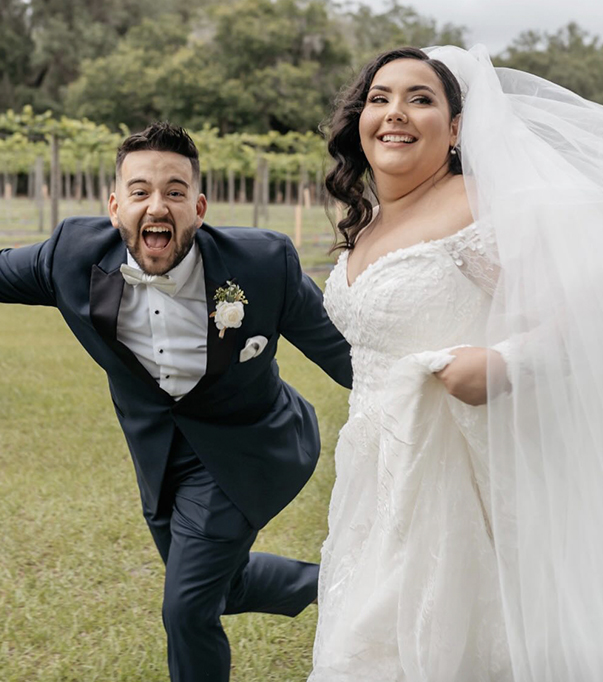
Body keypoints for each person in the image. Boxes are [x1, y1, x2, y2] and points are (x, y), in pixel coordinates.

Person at [309, 45, 603, 682]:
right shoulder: (366, 223)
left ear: (456, 129)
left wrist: (508, 361)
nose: (395, 112)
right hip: (377, 479)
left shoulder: (480, 206)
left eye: (420, 99)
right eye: (380, 98)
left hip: (469, 488)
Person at [0, 122, 352, 681]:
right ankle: (345, 586)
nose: (156, 205)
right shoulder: (71, 254)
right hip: (163, 459)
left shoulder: (264, 265)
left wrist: (425, 391)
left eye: (174, 191)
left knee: (186, 608)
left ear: (199, 206)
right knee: (222, 588)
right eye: (139, 192)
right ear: (115, 207)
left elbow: (347, 354)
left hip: (252, 448)